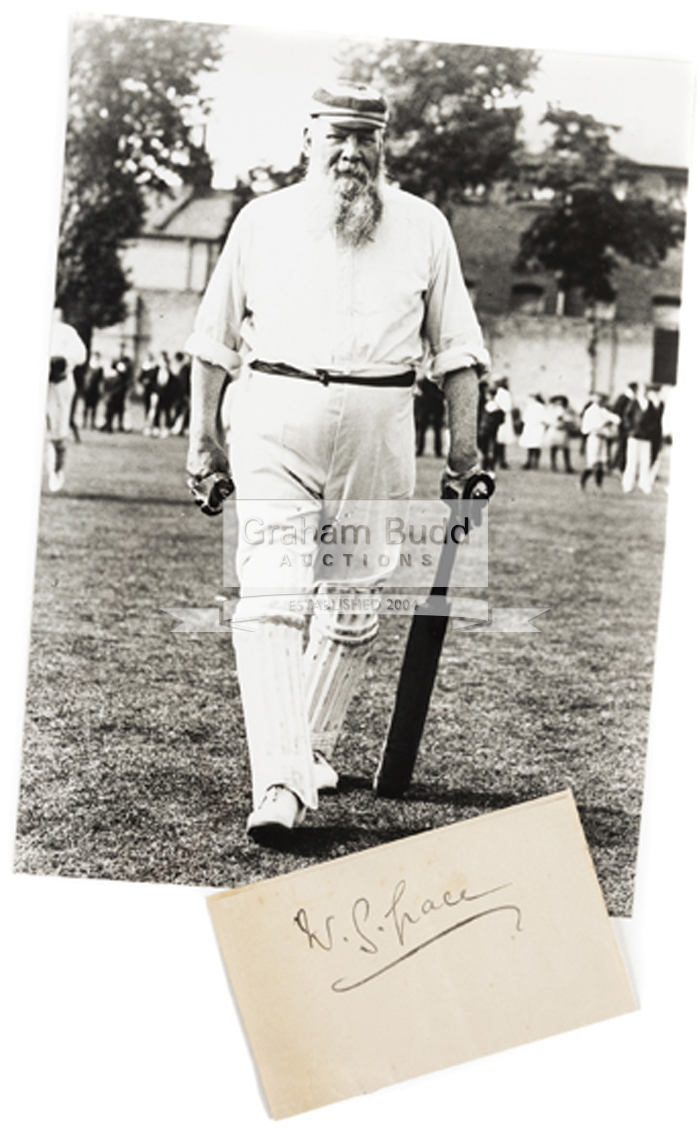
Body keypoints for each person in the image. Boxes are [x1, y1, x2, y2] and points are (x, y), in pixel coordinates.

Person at [185, 82, 491, 840]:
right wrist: (200, 438)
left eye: (366, 137)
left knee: (352, 612)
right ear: (309, 137)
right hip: (272, 419)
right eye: (337, 135)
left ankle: (310, 751)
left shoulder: (422, 225)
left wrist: (463, 447)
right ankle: (280, 785)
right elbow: (212, 340)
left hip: (380, 427)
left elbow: (457, 349)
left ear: (383, 144)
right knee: (269, 601)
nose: (351, 151)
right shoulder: (263, 219)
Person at [46, 308, 87, 491]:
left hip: (59, 385)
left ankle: (56, 471)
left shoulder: (65, 331)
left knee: (57, 434)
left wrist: (62, 362)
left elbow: (80, 355)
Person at [622, 383, 664, 494]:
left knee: (645, 461)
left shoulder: (650, 405)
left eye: (646, 391)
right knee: (632, 461)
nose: (644, 393)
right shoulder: (634, 403)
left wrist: (649, 431)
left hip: (646, 438)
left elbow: (654, 421)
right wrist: (631, 429)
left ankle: (644, 484)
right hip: (634, 436)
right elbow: (627, 417)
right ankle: (628, 485)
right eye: (642, 390)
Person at [580, 393, 619, 490]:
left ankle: (599, 484)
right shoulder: (590, 411)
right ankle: (582, 482)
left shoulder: (603, 411)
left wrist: (609, 423)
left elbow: (616, 419)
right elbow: (585, 428)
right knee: (592, 462)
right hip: (594, 438)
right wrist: (599, 427)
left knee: (601, 462)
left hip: (602, 438)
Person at [545, 394, 576, 473]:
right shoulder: (551, 409)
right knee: (553, 448)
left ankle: (568, 466)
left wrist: (565, 421)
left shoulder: (568, 410)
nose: (559, 403)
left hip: (563, 431)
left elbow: (571, 419)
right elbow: (548, 419)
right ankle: (553, 465)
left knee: (565, 449)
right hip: (555, 430)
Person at [519, 394, 547, 469]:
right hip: (532, 427)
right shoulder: (533, 406)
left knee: (534, 445)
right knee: (533, 445)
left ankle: (532, 462)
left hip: (535, 427)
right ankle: (532, 462)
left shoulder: (538, 407)